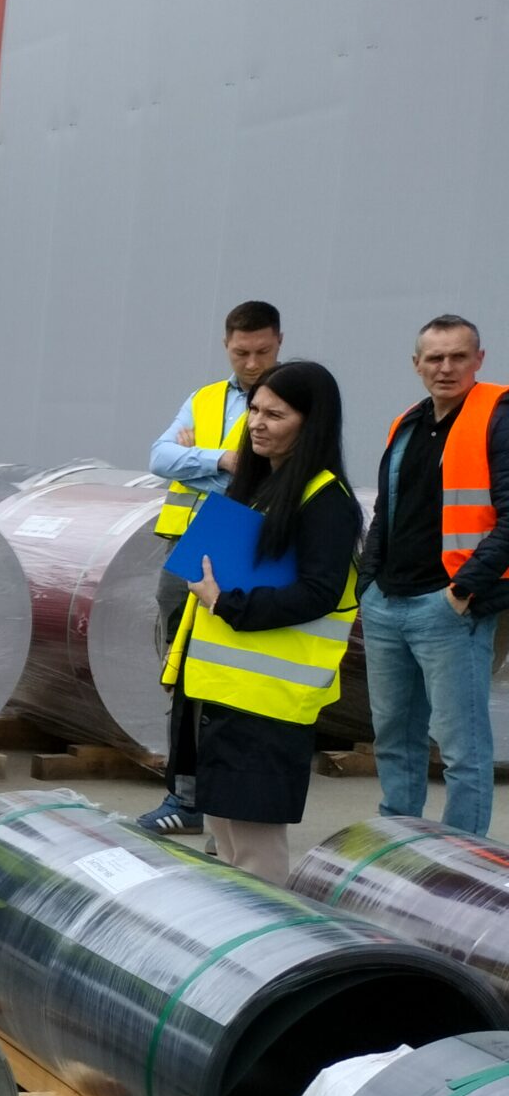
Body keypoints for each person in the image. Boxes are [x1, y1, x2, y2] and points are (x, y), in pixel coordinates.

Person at [162, 361, 362, 883]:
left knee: (255, 847)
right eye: (254, 410)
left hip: (270, 702)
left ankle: (270, 932)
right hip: (223, 691)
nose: (257, 423)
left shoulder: (326, 501)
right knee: (225, 835)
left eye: (276, 414)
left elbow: (318, 594)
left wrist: (228, 604)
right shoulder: (258, 487)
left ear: (311, 423)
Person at [359, 315, 508, 837]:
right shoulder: (406, 423)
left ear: (479, 360)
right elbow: (386, 511)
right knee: (393, 738)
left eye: (458, 357)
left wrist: (464, 590)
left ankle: (465, 860)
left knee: (463, 749)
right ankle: (400, 843)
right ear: (417, 364)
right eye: (435, 358)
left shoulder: (498, 418)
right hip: (387, 602)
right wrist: (368, 583)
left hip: (447, 608)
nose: (446, 367)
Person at [140, 300, 283, 837]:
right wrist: (220, 459)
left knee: (229, 673)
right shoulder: (205, 399)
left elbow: (269, 472)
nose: (252, 363)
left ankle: (217, 800)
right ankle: (186, 796)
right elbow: (159, 458)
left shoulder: (291, 398)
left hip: (243, 540)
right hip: (191, 543)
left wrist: (195, 459)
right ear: (226, 345)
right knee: (182, 673)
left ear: (279, 343)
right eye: (242, 352)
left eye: (262, 351)